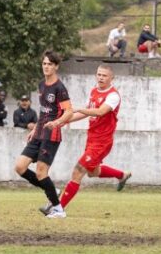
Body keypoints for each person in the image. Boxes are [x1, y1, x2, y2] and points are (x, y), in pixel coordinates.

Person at [42, 64, 131, 216]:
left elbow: (100, 112)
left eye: (104, 75)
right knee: (92, 172)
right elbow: (85, 113)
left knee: (78, 171)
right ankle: (122, 175)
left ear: (111, 78)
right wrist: (62, 122)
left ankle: (59, 209)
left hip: (102, 142)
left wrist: (78, 108)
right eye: (99, 74)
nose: (101, 78)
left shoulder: (113, 95)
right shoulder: (94, 91)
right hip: (92, 139)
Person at [14, 50, 73, 219]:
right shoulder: (41, 85)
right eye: (44, 64)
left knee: (41, 172)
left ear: (56, 67)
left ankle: (58, 209)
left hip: (52, 135)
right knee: (20, 167)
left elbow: (69, 111)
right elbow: (43, 112)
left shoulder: (60, 88)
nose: (46, 67)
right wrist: (34, 129)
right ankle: (52, 190)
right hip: (39, 133)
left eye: (50, 64)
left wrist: (57, 122)